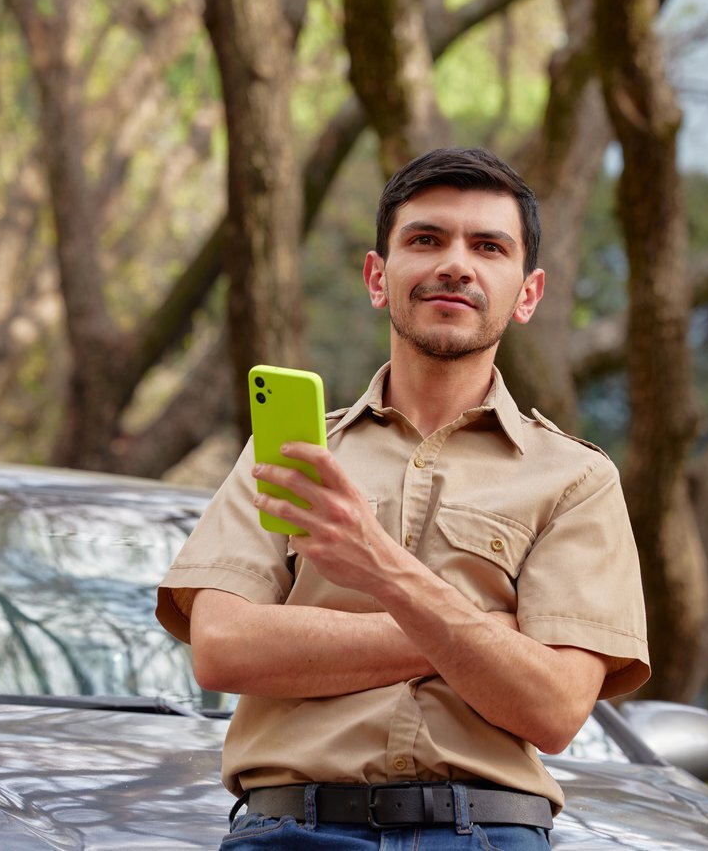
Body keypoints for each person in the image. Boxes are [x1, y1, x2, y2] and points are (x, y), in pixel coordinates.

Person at [155, 147, 649, 850]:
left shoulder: (575, 479)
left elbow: (555, 707)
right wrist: (481, 637)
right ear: (377, 278)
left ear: (528, 293)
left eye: (488, 246)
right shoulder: (291, 454)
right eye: (426, 239)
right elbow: (224, 648)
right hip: (289, 831)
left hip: (488, 834)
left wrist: (380, 567)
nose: (456, 264)